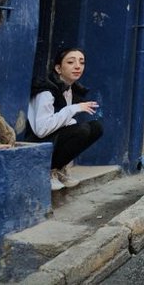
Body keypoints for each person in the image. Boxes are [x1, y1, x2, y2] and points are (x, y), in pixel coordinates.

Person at [28, 48, 104, 191]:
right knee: (82, 131)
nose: (77, 66)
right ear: (58, 68)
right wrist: (73, 109)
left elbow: (63, 120)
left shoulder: (70, 89)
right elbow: (41, 129)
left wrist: (70, 116)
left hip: (52, 138)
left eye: (81, 63)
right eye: (70, 62)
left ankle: (59, 168)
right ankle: (48, 170)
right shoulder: (46, 91)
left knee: (96, 128)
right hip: (35, 142)